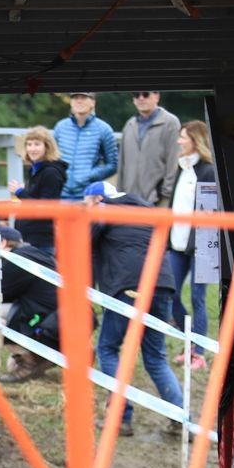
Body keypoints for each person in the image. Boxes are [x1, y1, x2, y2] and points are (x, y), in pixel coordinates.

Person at [84, 182, 184, 437]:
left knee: (107, 348)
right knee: (155, 356)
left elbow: (84, 241)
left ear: (97, 199)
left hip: (127, 285)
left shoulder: (104, 209)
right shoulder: (146, 209)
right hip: (162, 285)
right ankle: (180, 417)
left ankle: (121, 418)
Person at [0, 227, 59, 383]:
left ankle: (31, 363)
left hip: (49, 321)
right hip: (56, 316)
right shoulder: (31, 253)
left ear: (2, 243)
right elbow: (11, 292)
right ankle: (44, 359)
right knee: (11, 366)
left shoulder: (16, 259)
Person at [166, 120, 218, 371]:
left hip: (201, 247)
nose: (179, 141)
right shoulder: (181, 168)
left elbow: (210, 213)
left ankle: (198, 353)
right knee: (171, 292)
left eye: (183, 137)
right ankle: (191, 338)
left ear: (195, 140)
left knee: (198, 298)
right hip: (176, 243)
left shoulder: (208, 171)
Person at [8, 126, 67, 252]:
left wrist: (20, 192)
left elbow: (45, 209)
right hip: (28, 238)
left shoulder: (51, 173)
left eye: (37, 144)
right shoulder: (35, 170)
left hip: (41, 241)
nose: (32, 149)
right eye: (29, 144)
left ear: (47, 147)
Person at [119, 91, 181, 206]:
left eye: (146, 94)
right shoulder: (129, 125)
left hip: (158, 200)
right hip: (130, 200)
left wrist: (165, 193)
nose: (141, 98)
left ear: (157, 96)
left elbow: (174, 160)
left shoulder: (170, 123)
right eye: (136, 95)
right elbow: (122, 164)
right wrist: (120, 194)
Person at [52, 93, 118, 201]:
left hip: (88, 196)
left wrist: (90, 175)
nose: (79, 101)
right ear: (71, 102)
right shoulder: (60, 127)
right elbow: (51, 157)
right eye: (75, 98)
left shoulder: (104, 129)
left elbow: (113, 164)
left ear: (93, 102)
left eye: (83, 98)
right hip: (60, 194)